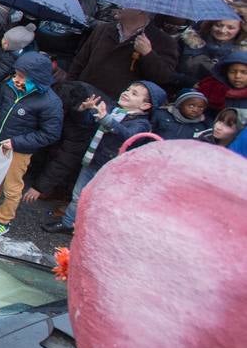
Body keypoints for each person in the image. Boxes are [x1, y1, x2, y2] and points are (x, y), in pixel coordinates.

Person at [0, 52, 63, 236]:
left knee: (12, 187)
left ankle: (3, 220)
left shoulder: (50, 103)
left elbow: (50, 134)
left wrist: (16, 143)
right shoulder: (10, 87)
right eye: (16, 74)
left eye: (21, 76)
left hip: (19, 151)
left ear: (36, 77)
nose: (16, 79)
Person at [45, 80, 165, 235]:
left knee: (99, 201)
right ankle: (68, 223)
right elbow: (90, 123)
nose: (127, 93)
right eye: (128, 89)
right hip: (92, 160)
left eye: (134, 93)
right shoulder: (114, 110)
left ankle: (90, 231)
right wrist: (84, 110)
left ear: (145, 106)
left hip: (111, 169)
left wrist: (107, 119)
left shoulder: (141, 124)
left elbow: (128, 136)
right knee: (78, 195)